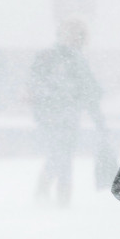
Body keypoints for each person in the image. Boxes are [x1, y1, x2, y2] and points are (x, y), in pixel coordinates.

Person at [28, 18, 105, 206]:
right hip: (53, 116)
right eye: (73, 34)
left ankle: (52, 193)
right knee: (60, 155)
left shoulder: (78, 59)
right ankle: (57, 195)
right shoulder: (49, 56)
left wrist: (98, 119)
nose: (76, 39)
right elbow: (37, 86)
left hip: (67, 116)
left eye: (79, 35)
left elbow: (89, 91)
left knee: (63, 155)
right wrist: (60, 97)